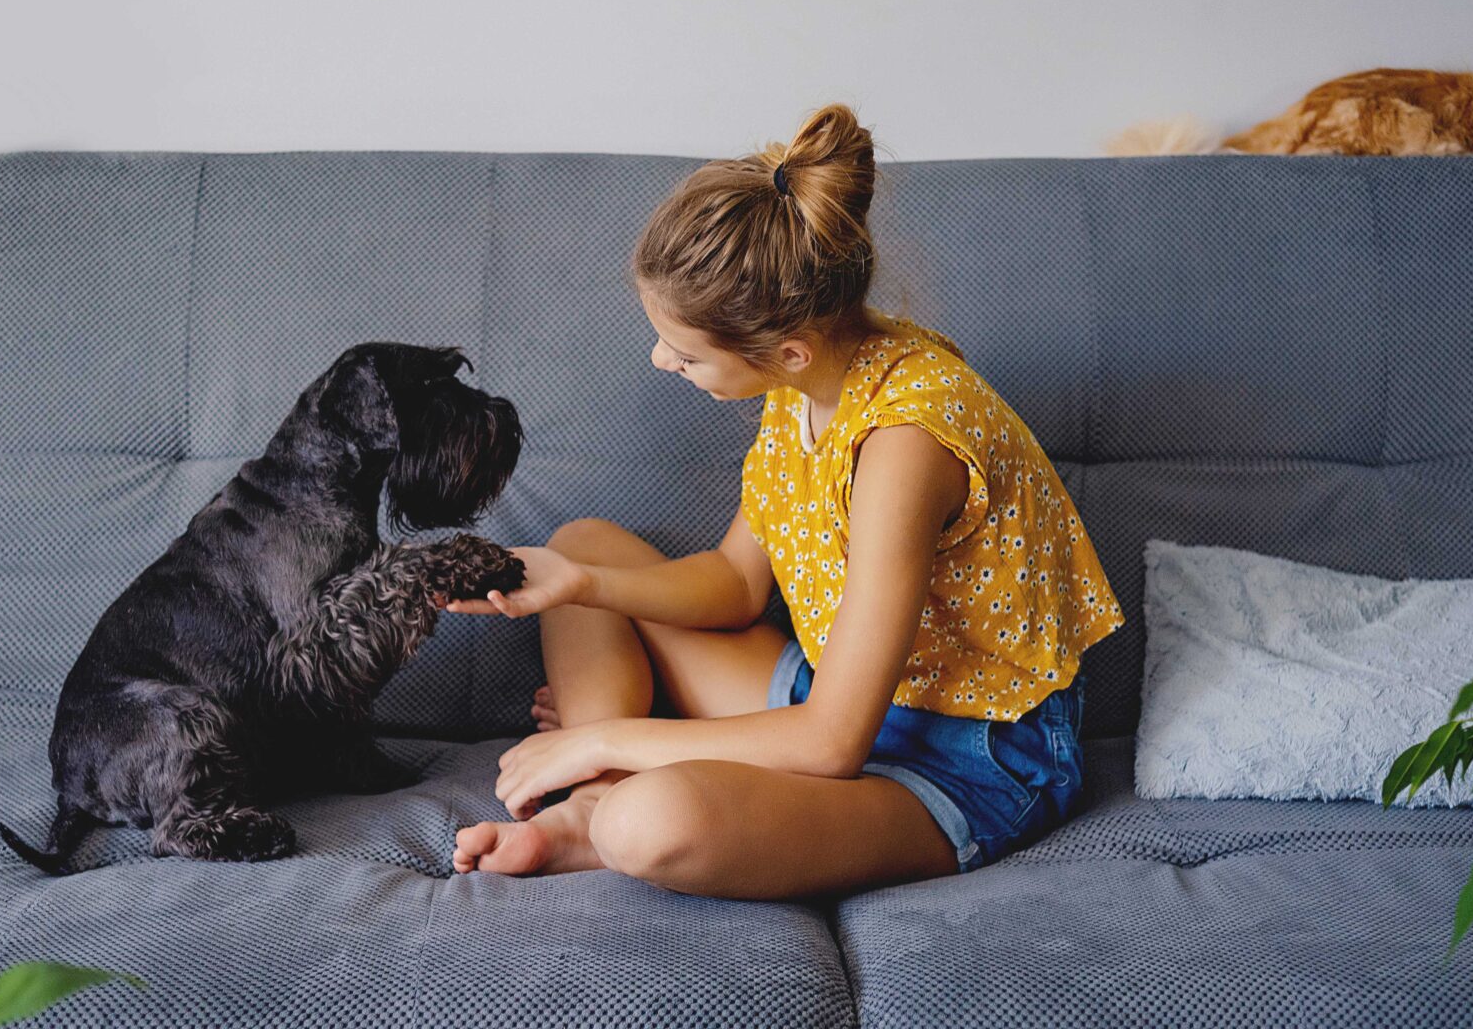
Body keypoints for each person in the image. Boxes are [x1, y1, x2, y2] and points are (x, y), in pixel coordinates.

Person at [446, 103, 1125, 900]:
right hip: (828, 693)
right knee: (586, 543)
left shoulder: (905, 444)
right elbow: (735, 585)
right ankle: (590, 801)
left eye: (687, 351)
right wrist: (578, 584)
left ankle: (608, 797)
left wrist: (600, 736)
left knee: (650, 823)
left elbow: (835, 743)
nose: (660, 359)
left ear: (785, 348)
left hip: (960, 758)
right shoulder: (806, 379)